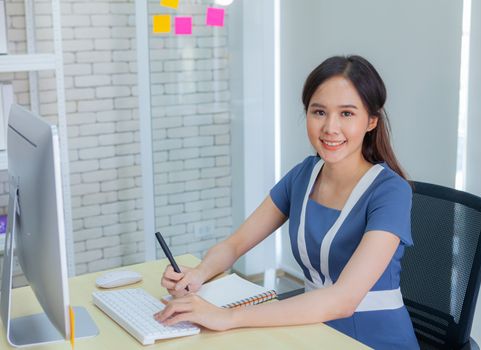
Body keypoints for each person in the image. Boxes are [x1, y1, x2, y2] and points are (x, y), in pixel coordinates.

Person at [154, 55, 420, 349]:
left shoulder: (391, 192)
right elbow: (234, 245)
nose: (330, 128)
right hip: (309, 329)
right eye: (319, 112)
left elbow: (343, 301)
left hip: (371, 339)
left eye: (346, 114)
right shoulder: (304, 175)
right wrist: (199, 273)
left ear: (371, 120)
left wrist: (227, 317)